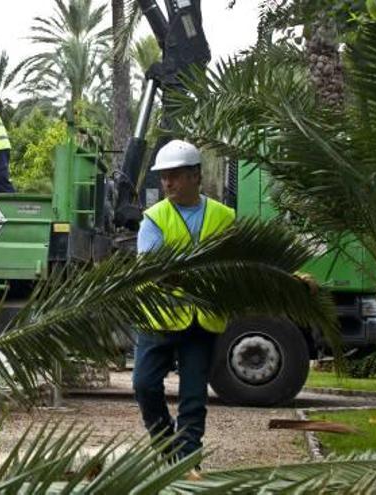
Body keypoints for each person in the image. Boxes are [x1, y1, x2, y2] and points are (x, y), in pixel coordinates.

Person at [133, 139, 235, 466]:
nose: (167, 183)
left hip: (201, 321)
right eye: (163, 177)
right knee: (144, 385)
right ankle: (167, 450)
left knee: (193, 397)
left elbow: (240, 263)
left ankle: (188, 464)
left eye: (174, 175)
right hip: (158, 319)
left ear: (195, 176)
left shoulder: (224, 216)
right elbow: (151, 269)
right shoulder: (154, 218)